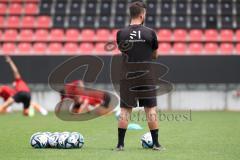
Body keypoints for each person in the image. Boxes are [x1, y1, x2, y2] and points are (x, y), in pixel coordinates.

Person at [116, 1, 163, 151]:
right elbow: (155, 54)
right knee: (150, 109)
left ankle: (120, 145)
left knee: (125, 110)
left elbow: (123, 52)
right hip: (146, 75)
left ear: (131, 15)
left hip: (127, 76)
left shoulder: (121, 33)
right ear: (142, 15)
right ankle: (156, 144)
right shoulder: (150, 33)